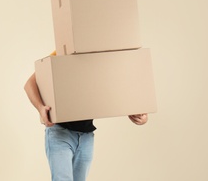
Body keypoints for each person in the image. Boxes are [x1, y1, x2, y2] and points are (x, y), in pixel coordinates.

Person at [24, 52, 148, 181]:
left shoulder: (104, 54)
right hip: (60, 132)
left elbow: (113, 84)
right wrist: (40, 108)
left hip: (86, 137)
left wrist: (137, 110)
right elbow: (29, 84)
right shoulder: (62, 49)